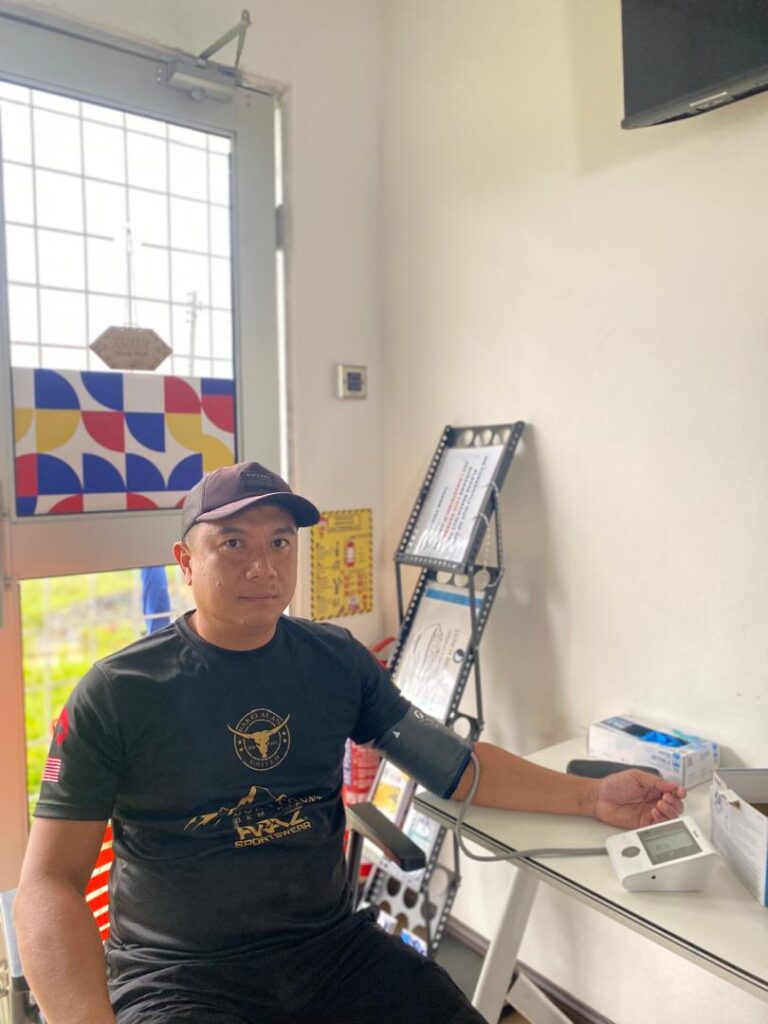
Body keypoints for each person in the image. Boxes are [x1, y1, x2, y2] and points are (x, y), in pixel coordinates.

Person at [14, 462, 686, 1024]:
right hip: (183, 979)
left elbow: (454, 765)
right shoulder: (119, 691)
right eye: (233, 544)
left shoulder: (333, 659)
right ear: (186, 562)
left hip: (331, 954)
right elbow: (47, 883)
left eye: (281, 543)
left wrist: (592, 797)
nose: (263, 566)